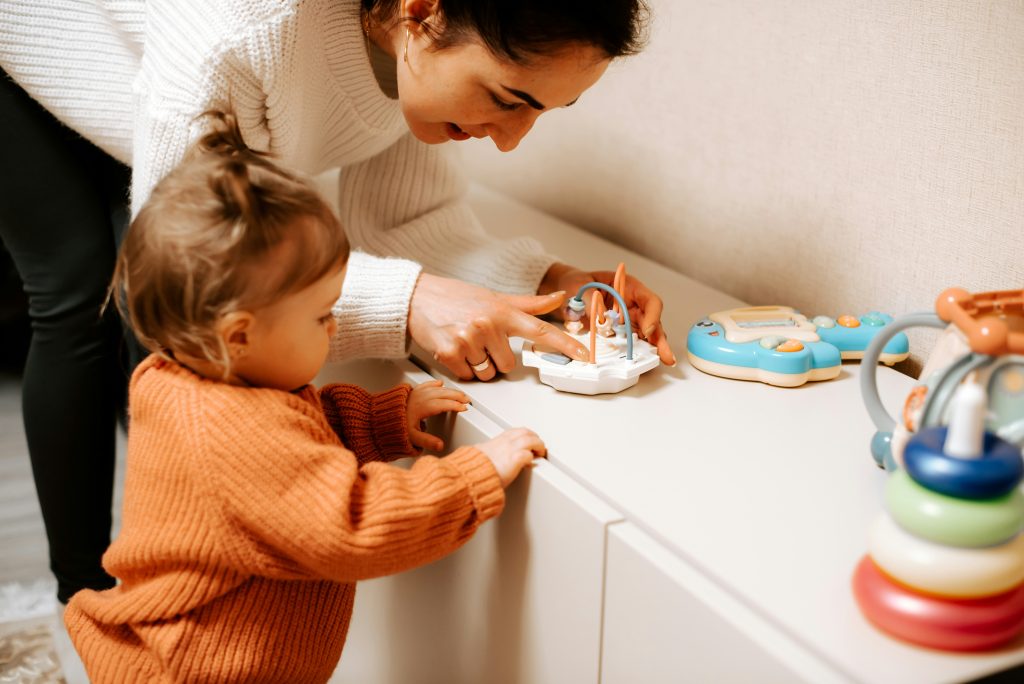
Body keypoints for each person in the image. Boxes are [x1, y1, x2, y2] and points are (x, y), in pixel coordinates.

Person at [0, 0, 670, 603]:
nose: (511, 138)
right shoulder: (241, 28)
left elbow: (410, 222)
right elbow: (190, 284)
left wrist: (552, 284)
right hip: (32, 38)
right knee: (79, 291)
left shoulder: (413, 52)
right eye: (505, 98)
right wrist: (408, 301)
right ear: (422, 12)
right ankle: (85, 597)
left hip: (157, 74)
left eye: (542, 110)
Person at [64, 111, 547, 682]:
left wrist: (377, 419)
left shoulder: (184, 378)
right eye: (321, 316)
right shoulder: (233, 431)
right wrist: (472, 477)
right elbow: (355, 525)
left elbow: (292, 449)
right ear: (238, 336)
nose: (334, 327)